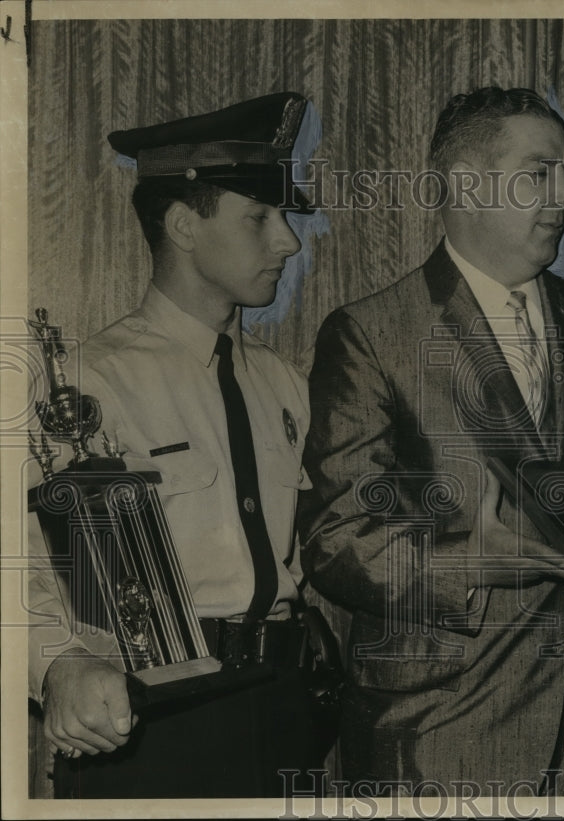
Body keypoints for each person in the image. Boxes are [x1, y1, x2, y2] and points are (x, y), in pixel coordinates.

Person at [297, 86, 564, 795]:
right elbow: (338, 539)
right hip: (441, 731)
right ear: (467, 186)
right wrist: (468, 561)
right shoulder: (369, 333)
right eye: (541, 172)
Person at [27, 92, 331, 798]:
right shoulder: (86, 384)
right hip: (151, 720)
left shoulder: (287, 385)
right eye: (260, 217)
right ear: (182, 225)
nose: (287, 241)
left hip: (282, 711)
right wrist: (57, 664)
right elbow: (24, 563)